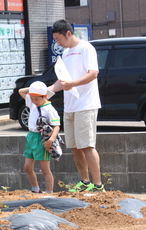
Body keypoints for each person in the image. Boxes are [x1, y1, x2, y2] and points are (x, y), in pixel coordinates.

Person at [48, 19, 104, 192]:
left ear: (69, 34)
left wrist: (72, 84)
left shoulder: (86, 48)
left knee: (87, 145)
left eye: (59, 38)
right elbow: (62, 81)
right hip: (70, 106)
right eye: (55, 39)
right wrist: (46, 92)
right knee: (75, 147)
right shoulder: (65, 54)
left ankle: (98, 185)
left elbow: (93, 73)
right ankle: (84, 182)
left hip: (86, 105)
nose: (57, 42)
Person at [19, 81, 61, 193]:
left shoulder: (49, 109)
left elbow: (56, 127)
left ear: (45, 96)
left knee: (45, 169)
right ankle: (35, 189)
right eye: (32, 98)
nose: (34, 101)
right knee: (27, 167)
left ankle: (49, 192)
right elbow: (21, 91)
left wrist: (51, 140)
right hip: (31, 136)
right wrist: (34, 88)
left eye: (37, 99)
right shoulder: (32, 103)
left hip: (42, 138)